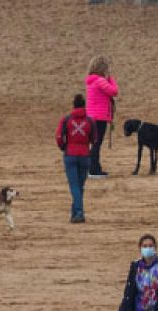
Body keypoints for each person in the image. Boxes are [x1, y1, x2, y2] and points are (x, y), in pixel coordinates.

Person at [57, 94, 94, 224]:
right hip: (84, 155)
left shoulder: (66, 119)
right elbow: (94, 138)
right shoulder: (90, 121)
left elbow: (59, 137)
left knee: (74, 185)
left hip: (70, 154)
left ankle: (78, 212)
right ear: (84, 105)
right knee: (80, 185)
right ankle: (76, 212)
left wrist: (64, 147)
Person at [85, 56, 118, 179]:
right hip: (99, 117)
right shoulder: (100, 81)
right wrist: (110, 78)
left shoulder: (91, 81)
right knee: (97, 143)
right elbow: (114, 91)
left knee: (94, 143)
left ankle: (93, 167)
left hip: (91, 116)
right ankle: (94, 170)